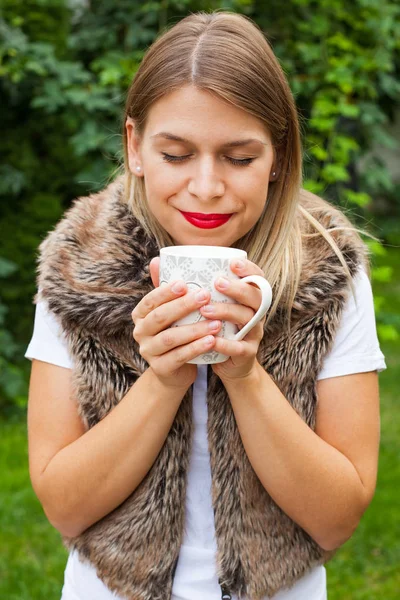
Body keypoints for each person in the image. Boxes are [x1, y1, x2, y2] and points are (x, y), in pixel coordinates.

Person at [25, 10, 386, 600]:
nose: (207, 186)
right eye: (176, 154)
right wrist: (163, 379)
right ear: (134, 146)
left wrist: (244, 376)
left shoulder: (328, 271)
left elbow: (337, 518)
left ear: (278, 157)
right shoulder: (80, 266)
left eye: (240, 158)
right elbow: (64, 508)